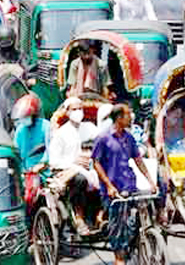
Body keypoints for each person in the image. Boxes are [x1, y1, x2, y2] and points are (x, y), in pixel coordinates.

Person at [92, 104, 157, 265]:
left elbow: (138, 160)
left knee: (145, 212)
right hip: (113, 188)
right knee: (118, 225)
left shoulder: (129, 137)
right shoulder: (103, 138)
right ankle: (119, 258)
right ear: (119, 118)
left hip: (129, 184)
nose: (131, 118)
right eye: (128, 115)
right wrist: (109, 185)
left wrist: (150, 181)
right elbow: (96, 163)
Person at [47, 97, 100, 234]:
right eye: (74, 109)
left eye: (80, 109)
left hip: (91, 167)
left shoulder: (90, 128)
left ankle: (101, 216)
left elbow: (101, 144)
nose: (78, 112)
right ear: (67, 112)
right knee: (80, 180)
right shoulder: (61, 133)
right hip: (67, 170)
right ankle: (79, 217)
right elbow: (53, 161)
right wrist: (73, 162)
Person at [12, 93, 51, 171]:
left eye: (26, 117)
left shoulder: (45, 126)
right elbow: (16, 151)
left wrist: (42, 163)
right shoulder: (20, 129)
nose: (24, 120)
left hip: (43, 170)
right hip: (26, 170)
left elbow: (50, 149)